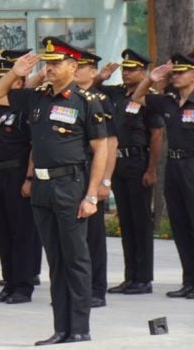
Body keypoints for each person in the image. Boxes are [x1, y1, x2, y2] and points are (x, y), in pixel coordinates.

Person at [0, 39, 109, 346]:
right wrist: (15, 72)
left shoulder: (85, 100)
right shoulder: (37, 97)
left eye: (56, 63)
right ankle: (61, 327)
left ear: (73, 66)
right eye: (48, 63)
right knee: (55, 259)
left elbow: (101, 149)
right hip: (42, 186)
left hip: (70, 184)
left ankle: (79, 327)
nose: (50, 67)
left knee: (75, 259)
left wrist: (92, 195)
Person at [0, 51, 42, 304]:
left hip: (17, 173)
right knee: (3, 232)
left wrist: (29, 178)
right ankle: (9, 282)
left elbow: (35, 146)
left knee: (21, 232)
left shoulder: (25, 107)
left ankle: (23, 286)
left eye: (12, 79)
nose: (6, 83)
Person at [133, 53, 194, 299]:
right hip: (174, 165)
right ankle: (189, 281)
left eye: (182, 72)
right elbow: (137, 97)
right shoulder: (168, 102)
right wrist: (151, 78)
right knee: (180, 225)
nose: (176, 76)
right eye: (175, 72)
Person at [101, 49, 162, 295]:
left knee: (141, 222)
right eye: (125, 69)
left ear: (143, 72)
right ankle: (130, 277)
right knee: (125, 221)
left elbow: (156, 136)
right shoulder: (115, 93)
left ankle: (143, 279)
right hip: (117, 162)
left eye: (132, 69)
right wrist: (102, 76)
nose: (127, 73)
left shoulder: (149, 98)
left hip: (138, 162)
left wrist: (151, 169)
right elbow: (91, 90)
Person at [72, 52, 115, 308]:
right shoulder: (69, 98)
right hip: (71, 174)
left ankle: (97, 289)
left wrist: (104, 181)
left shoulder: (100, 100)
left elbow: (110, 143)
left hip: (92, 172)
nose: (76, 70)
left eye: (81, 67)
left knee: (94, 236)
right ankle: (77, 289)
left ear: (93, 72)